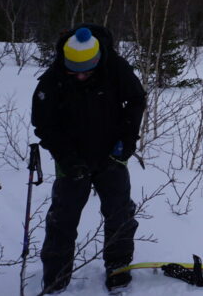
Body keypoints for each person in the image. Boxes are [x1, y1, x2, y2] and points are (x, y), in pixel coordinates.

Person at [32, 24, 146, 293]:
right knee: (63, 219)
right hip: (71, 158)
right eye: (75, 71)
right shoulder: (53, 79)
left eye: (87, 71)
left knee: (119, 214)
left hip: (111, 155)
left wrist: (127, 140)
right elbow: (44, 125)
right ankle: (56, 278)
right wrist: (66, 157)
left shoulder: (115, 67)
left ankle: (118, 268)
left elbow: (136, 99)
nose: (81, 77)